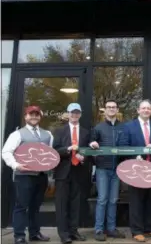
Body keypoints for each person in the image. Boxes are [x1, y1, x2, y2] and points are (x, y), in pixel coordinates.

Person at [2, 105, 52, 244]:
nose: (34, 117)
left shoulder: (48, 134)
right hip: (23, 176)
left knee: (36, 206)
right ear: (25, 117)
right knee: (21, 206)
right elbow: (6, 152)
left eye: (37, 114)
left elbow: (51, 154)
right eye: (31, 114)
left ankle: (35, 233)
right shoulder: (17, 134)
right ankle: (19, 235)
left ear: (40, 117)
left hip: (41, 176)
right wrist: (16, 165)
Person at [125, 100, 151, 243]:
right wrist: (135, 156)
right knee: (136, 200)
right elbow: (124, 146)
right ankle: (136, 230)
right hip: (135, 169)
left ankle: (148, 227)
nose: (146, 110)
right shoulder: (129, 126)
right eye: (143, 108)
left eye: (148, 108)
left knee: (150, 199)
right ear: (138, 110)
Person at [89, 100, 127, 241]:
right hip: (102, 169)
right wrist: (92, 143)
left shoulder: (123, 127)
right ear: (104, 110)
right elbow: (91, 144)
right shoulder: (98, 128)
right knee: (102, 199)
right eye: (109, 107)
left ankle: (111, 229)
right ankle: (99, 229)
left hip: (117, 169)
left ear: (117, 109)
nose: (111, 109)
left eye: (114, 107)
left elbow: (126, 145)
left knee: (113, 200)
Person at [53, 103, 90, 243]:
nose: (74, 115)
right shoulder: (59, 131)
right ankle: (64, 234)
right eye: (72, 112)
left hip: (78, 171)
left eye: (77, 113)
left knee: (76, 203)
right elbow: (55, 151)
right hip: (63, 172)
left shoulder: (86, 132)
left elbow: (88, 152)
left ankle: (74, 231)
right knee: (62, 204)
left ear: (80, 114)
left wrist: (84, 158)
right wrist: (68, 149)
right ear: (68, 114)